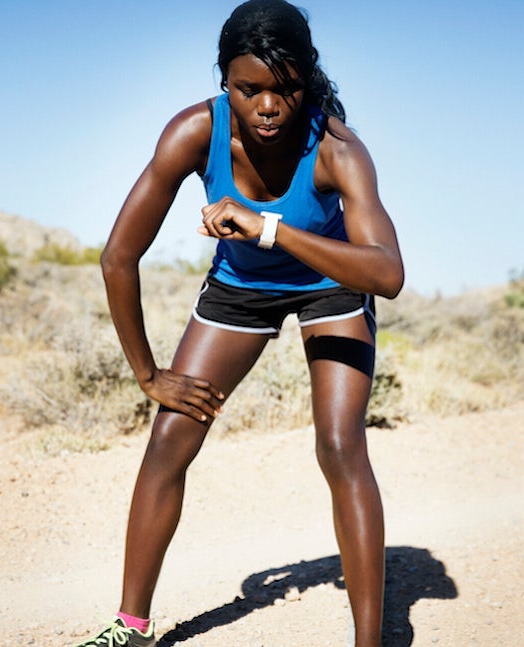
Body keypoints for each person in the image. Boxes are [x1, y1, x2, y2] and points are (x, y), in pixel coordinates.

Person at [78, 1, 403, 645]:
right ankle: (131, 628)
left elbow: (386, 275)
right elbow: (118, 257)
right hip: (241, 289)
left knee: (340, 446)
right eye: (247, 89)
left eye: (283, 88)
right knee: (170, 439)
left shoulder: (337, 148)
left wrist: (269, 226)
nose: (267, 106)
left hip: (331, 285)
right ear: (224, 82)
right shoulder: (192, 134)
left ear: (305, 81)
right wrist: (149, 374)